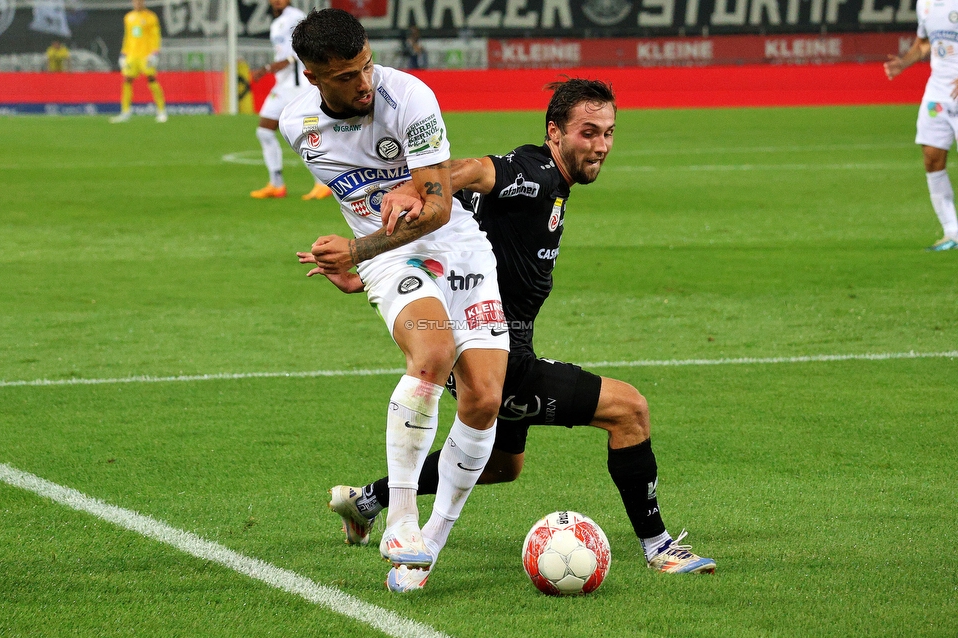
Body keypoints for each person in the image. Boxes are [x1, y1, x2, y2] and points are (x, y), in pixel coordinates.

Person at [320, 79, 716, 587]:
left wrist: (380, 260)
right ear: (555, 132)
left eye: (609, 133)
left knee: (504, 464)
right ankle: (661, 548)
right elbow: (471, 170)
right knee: (630, 411)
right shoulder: (534, 170)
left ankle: (368, 501)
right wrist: (417, 188)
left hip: (499, 344)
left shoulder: (553, 183)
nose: (600, 145)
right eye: (588, 132)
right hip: (493, 350)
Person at [279, 8, 508, 592]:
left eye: (365, 66)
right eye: (346, 77)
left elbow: (438, 207)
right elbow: (355, 203)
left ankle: (430, 540)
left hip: (457, 248)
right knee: (431, 355)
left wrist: (356, 251)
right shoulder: (296, 127)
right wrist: (359, 261)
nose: (363, 84)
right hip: (390, 255)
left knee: (483, 399)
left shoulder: (410, 97)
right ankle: (401, 521)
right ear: (312, 75)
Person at [885, 14, 958, 251]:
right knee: (931, 158)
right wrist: (903, 63)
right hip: (938, 93)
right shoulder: (926, 5)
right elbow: (924, 43)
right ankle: (952, 233)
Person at [249, 0, 331, 201]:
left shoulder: (294, 16)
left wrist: (269, 68)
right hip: (282, 86)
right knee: (264, 131)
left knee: (305, 134)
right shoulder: (277, 22)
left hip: (298, 86)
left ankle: (322, 184)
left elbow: (301, 49)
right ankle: (276, 184)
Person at [110, 0, 167, 124]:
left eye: (140, 2)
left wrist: (155, 53)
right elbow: (127, 37)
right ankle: (125, 112)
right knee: (127, 80)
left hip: (146, 55)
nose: (137, 4)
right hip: (132, 55)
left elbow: (155, 36)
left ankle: (161, 111)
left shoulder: (151, 17)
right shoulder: (128, 17)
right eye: (135, 2)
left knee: (152, 79)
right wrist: (123, 54)